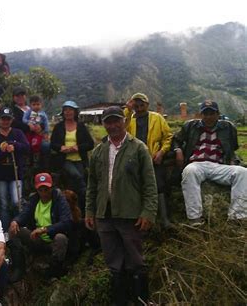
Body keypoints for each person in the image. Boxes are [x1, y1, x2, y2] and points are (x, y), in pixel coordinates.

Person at [85, 106, 158, 306]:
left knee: (135, 260)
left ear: (124, 122)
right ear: (104, 124)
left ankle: (141, 300)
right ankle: (120, 301)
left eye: (116, 120)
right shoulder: (99, 151)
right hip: (104, 215)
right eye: (108, 122)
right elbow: (92, 185)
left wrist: (148, 213)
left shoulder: (138, 148)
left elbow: (150, 185)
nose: (113, 125)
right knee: (114, 262)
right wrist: (90, 211)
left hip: (130, 214)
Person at [173, 100, 247, 226]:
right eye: (205, 113)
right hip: (197, 164)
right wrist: (178, 149)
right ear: (201, 115)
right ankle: (194, 218)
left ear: (218, 114)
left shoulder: (227, 127)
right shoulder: (191, 126)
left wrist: (232, 159)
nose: (208, 117)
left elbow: (232, 147)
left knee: (242, 172)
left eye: (212, 113)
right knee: (189, 171)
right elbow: (176, 139)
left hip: (219, 165)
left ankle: (237, 217)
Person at [8, 173, 72, 281]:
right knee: (14, 230)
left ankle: (54, 271)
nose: (44, 193)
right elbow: (25, 214)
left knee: (61, 238)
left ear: (51, 187)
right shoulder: (34, 200)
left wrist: (45, 229)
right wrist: (15, 221)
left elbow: (66, 222)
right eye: (40, 190)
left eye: (46, 189)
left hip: (53, 241)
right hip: (37, 239)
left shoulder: (60, 200)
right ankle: (18, 267)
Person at [125, 93, 174, 228]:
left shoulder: (157, 118)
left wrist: (161, 152)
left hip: (153, 159)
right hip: (134, 159)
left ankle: (164, 219)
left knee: (159, 184)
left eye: (142, 105)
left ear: (147, 105)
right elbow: (121, 130)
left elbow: (168, 137)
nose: (139, 108)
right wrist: (127, 110)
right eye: (136, 105)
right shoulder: (130, 119)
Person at [50, 100, 94, 213]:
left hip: (79, 160)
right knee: (78, 178)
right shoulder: (59, 127)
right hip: (64, 160)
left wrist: (78, 147)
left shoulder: (81, 127)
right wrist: (61, 148)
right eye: (66, 110)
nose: (68, 112)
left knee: (75, 187)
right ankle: (87, 203)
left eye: (70, 110)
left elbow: (90, 144)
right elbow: (53, 144)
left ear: (75, 112)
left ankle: (81, 210)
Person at [0, 107, 30, 231]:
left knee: (16, 201)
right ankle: (4, 231)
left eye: (8, 119)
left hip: (16, 173)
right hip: (0, 175)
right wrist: (2, 151)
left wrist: (15, 145)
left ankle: (19, 226)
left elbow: (26, 148)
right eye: (3, 119)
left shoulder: (18, 133)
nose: (5, 121)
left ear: (12, 120)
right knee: (3, 204)